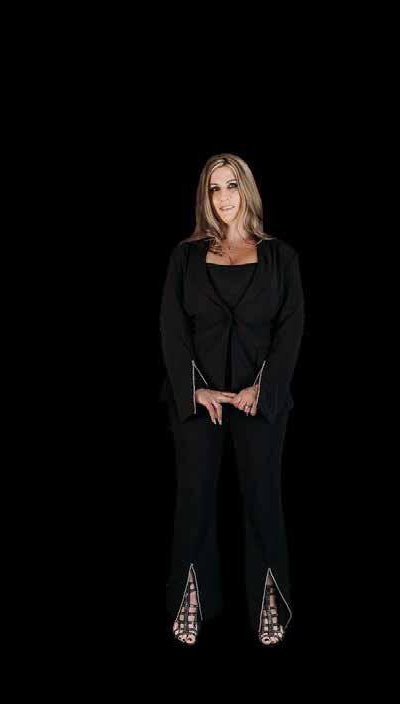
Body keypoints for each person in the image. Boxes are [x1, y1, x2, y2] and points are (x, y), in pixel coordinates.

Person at [159, 153, 305, 646]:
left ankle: (270, 600)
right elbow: (172, 328)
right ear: (205, 197)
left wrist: (263, 389)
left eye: (232, 186)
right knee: (195, 498)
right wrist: (194, 390)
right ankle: (191, 598)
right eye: (214, 188)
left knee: (262, 497)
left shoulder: (281, 258)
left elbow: (290, 330)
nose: (224, 198)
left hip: (259, 400)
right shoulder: (185, 258)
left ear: (248, 190)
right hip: (200, 400)